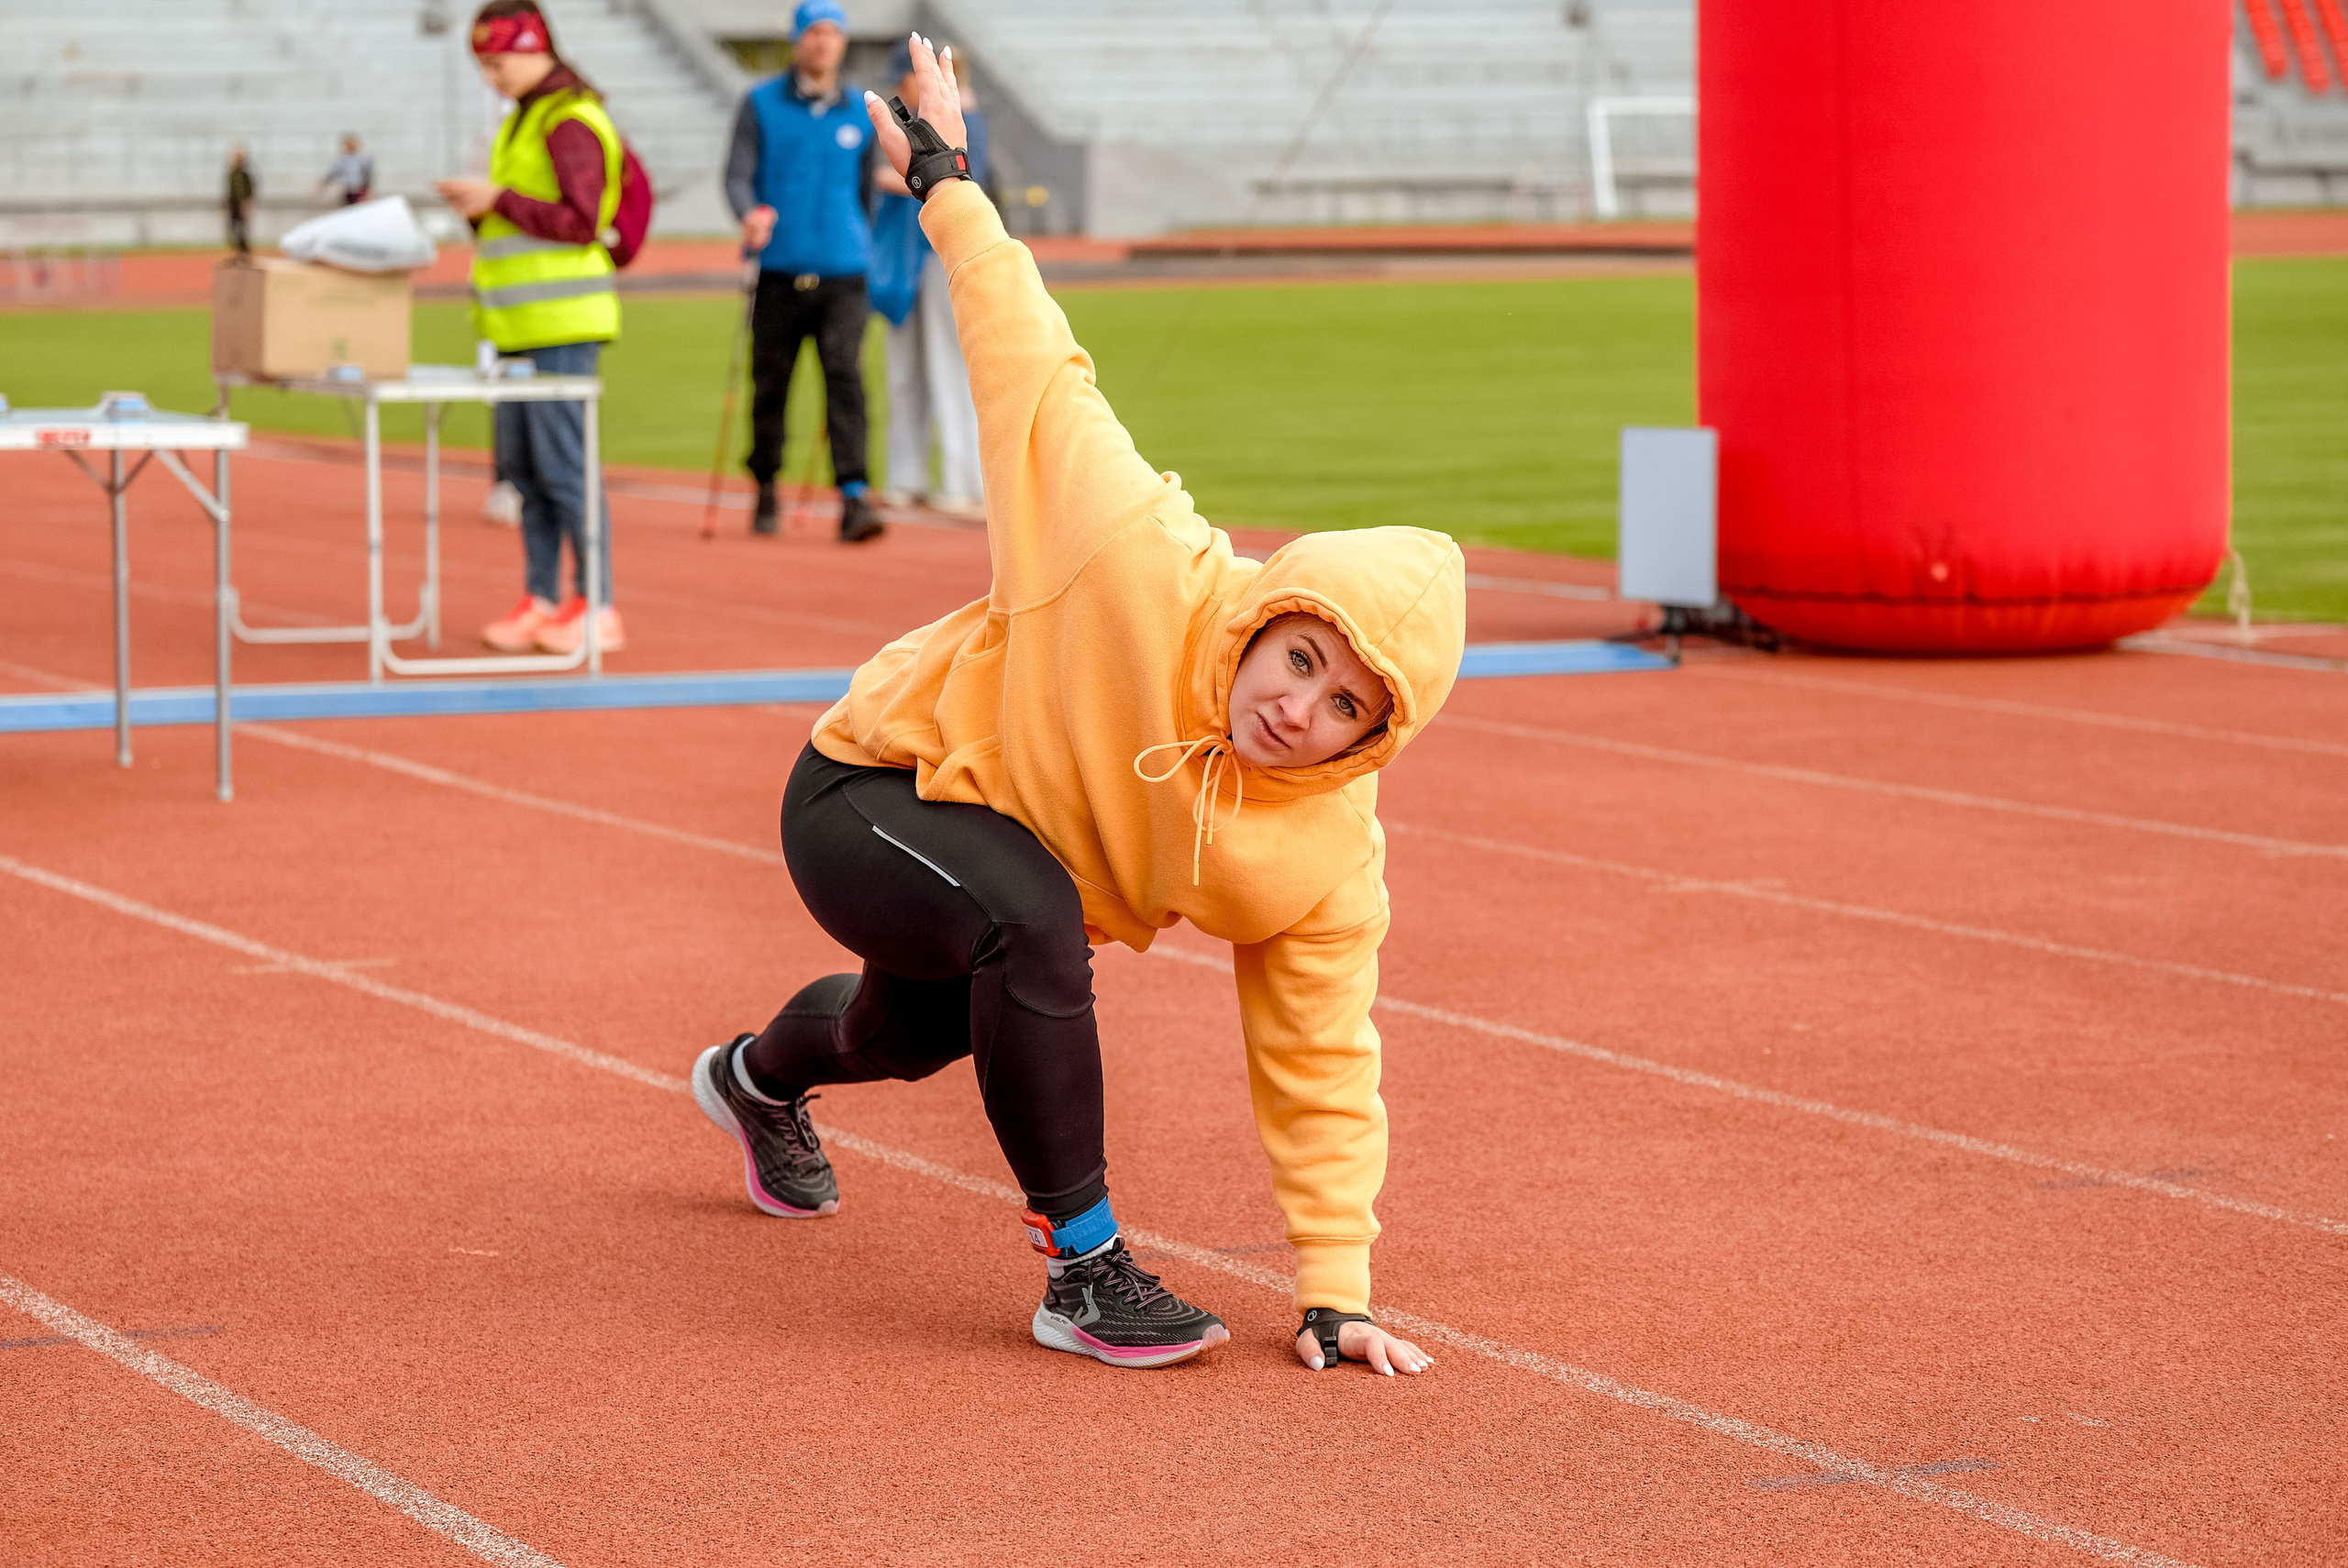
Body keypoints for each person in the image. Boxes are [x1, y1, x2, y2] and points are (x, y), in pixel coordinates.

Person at [692, 38, 1457, 1377]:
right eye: (1299, 661)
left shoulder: (1328, 854)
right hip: (875, 787)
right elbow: (1032, 356)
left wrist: (1335, 1286)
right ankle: (1086, 1269)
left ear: (1370, 742)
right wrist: (941, 175)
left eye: (1346, 709)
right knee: (1033, 920)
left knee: (897, 1034)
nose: (1300, 711)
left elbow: (1323, 1053)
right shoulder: (1135, 552)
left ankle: (756, 1079)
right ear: (1268, 613)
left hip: (993, 883)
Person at [437, 0, 626, 657]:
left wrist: (497, 201)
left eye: (497, 61)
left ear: (531, 47)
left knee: (564, 466)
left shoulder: (568, 118)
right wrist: (483, 211)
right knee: (527, 471)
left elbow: (578, 220)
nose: (491, 76)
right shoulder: (526, 119)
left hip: (562, 323)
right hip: (519, 324)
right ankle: (543, 595)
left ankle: (597, 602)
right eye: (483, 65)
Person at [723, 0, 883, 542]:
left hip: (843, 271)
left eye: (832, 33)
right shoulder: (760, 104)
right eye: (813, 33)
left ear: (842, 42)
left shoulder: (862, 109)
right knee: (771, 384)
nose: (823, 43)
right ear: (798, 40)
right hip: (778, 270)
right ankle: (766, 486)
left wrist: (854, 238)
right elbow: (737, 175)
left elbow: (868, 193)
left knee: (846, 379)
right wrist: (750, 214)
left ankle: (854, 497)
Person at [868, 39, 988, 514]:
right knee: (903, 370)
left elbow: (969, 176)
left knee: (948, 366)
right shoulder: (901, 123)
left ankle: (963, 482)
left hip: (942, 252)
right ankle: (906, 475)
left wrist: (899, 181)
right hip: (901, 256)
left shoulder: (965, 118)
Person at [317, 135, 373, 205]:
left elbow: (368, 176)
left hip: (359, 189)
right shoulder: (343, 160)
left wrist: (367, 192)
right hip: (347, 190)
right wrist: (323, 184)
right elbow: (334, 173)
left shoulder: (363, 159)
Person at [224, 147, 256, 255]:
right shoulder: (232, 173)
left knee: (241, 226)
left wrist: (245, 203)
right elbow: (230, 190)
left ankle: (243, 250)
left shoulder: (243, 174)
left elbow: (246, 190)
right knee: (233, 226)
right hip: (233, 202)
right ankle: (239, 249)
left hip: (240, 202)